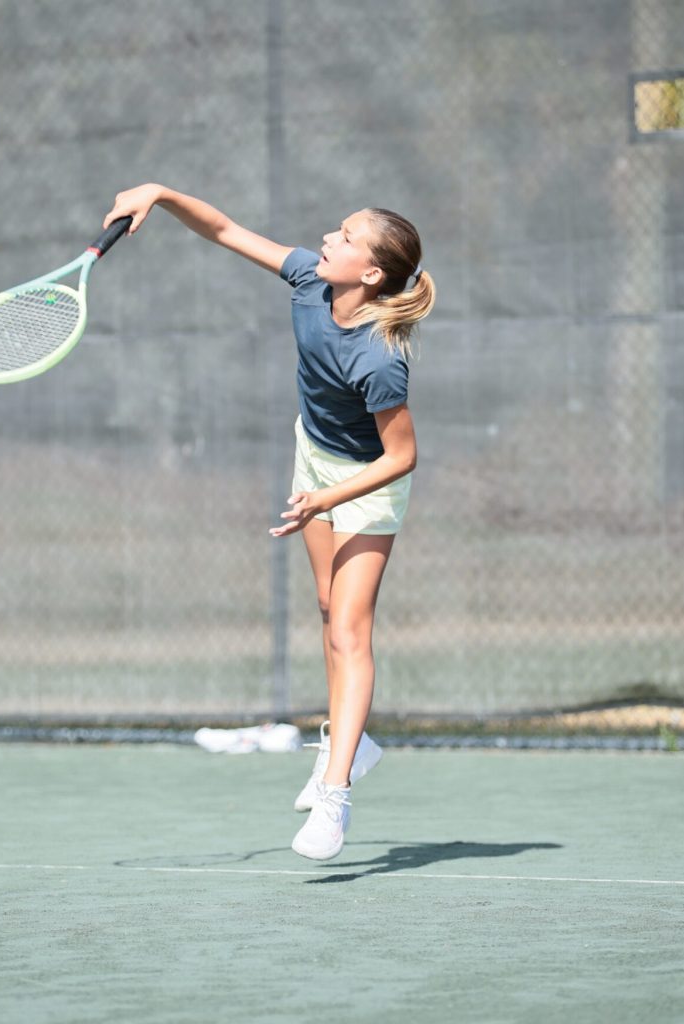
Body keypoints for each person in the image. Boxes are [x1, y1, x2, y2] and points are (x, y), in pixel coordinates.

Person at [103, 185, 435, 860]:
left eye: (345, 237)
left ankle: (334, 794)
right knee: (325, 607)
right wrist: (160, 194)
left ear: (370, 273)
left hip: (367, 485)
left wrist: (329, 496)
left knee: (350, 628)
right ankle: (354, 739)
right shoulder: (310, 280)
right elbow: (225, 229)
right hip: (314, 455)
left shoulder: (378, 356)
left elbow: (402, 456)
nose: (328, 239)